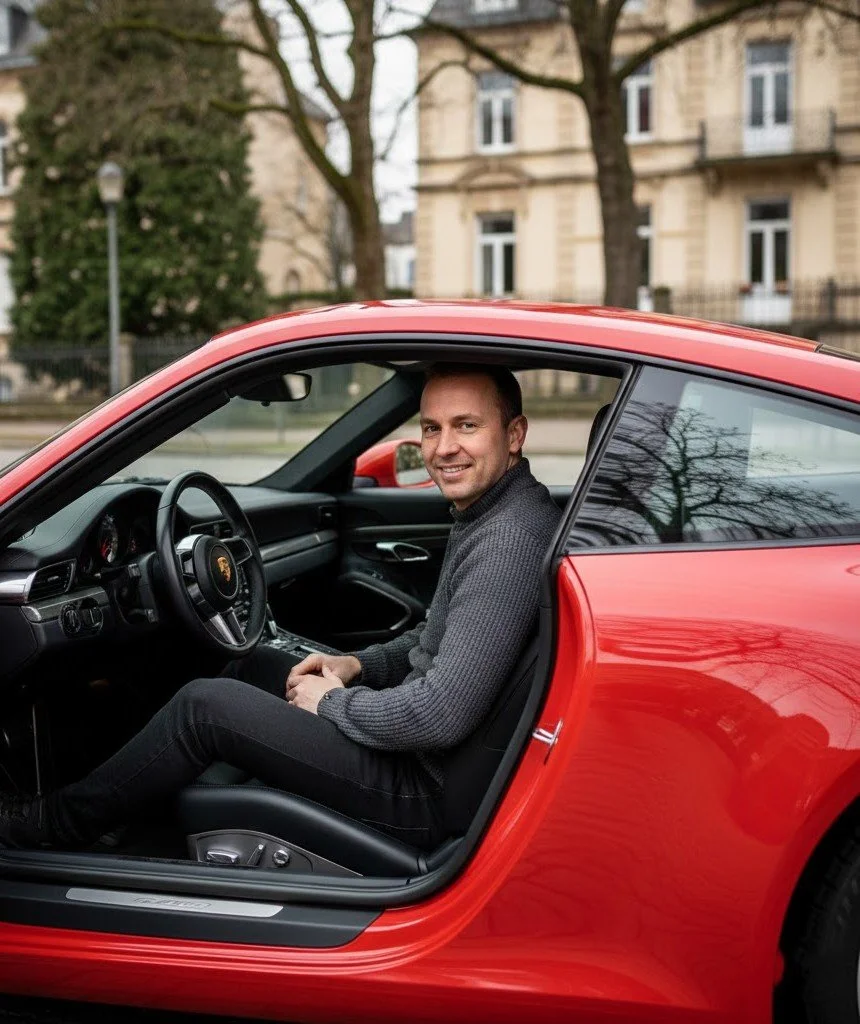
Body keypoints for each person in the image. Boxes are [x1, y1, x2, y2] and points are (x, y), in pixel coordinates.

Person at [0, 364, 561, 852]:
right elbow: (429, 643)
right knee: (255, 666)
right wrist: (355, 667)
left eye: (467, 426)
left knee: (204, 707)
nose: (442, 448)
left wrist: (334, 706)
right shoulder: (496, 511)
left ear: (514, 434)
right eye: (432, 428)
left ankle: (52, 824)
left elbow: (439, 714)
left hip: (420, 789)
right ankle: (137, 805)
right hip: (430, 760)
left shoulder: (507, 539)